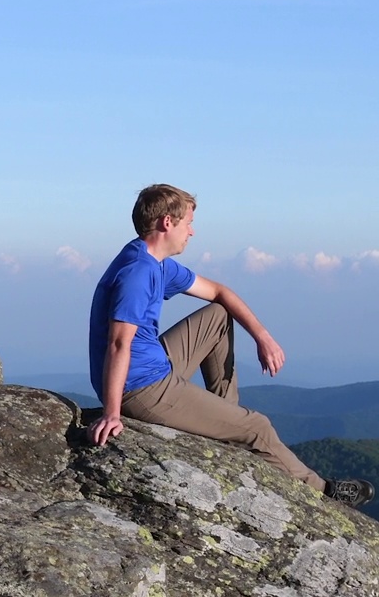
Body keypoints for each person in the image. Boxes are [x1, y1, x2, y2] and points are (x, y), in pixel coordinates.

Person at [86, 183, 374, 509]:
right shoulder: (138, 273)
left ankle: (227, 424)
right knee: (257, 426)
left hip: (151, 365)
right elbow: (118, 343)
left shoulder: (154, 262)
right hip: (140, 387)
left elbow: (220, 293)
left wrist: (262, 337)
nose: (192, 232)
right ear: (168, 223)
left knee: (218, 316)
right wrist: (112, 413)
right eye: (188, 223)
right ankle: (324, 491)